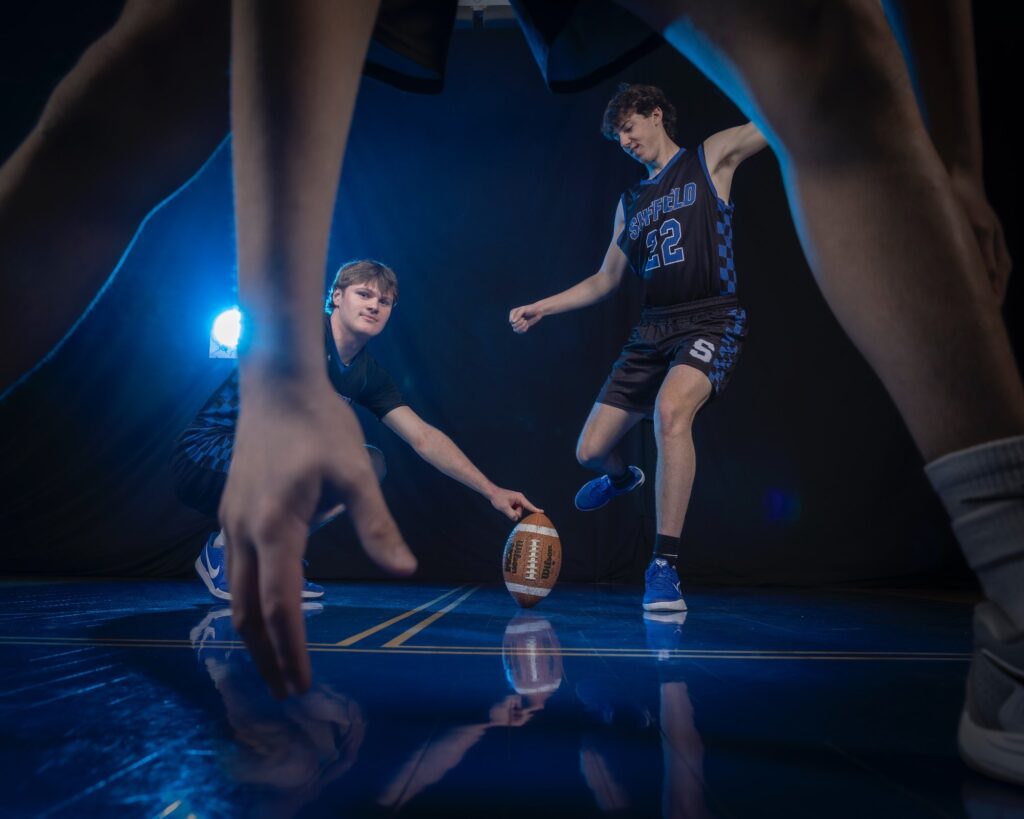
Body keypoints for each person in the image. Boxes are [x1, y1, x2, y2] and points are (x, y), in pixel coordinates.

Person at [510, 83, 767, 613]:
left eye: (628, 128)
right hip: (653, 328)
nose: (624, 141)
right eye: (617, 137)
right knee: (588, 452)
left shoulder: (709, 158)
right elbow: (605, 281)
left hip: (711, 317)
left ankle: (664, 566)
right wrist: (543, 306)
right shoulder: (630, 203)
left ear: (655, 114)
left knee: (672, 413)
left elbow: (773, 124)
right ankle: (624, 475)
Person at [174, 259, 541, 601]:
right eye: (363, 294)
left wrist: (491, 490)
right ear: (336, 298)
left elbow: (423, 437)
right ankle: (223, 552)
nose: (374, 305)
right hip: (207, 454)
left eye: (384, 301)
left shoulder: (368, 375)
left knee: (368, 463)